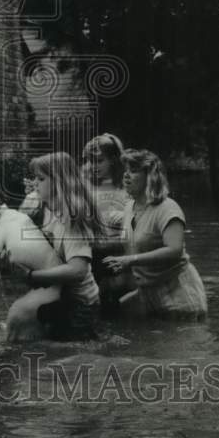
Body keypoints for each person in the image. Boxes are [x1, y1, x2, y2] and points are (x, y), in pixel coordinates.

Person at [103, 149, 207, 318]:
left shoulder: (168, 208)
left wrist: (130, 260)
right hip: (147, 293)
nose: (126, 176)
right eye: (126, 171)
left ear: (150, 177)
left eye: (134, 171)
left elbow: (174, 250)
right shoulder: (130, 207)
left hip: (179, 296)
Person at [23, 151, 103, 339]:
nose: (35, 183)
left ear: (59, 182)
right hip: (59, 298)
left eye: (41, 179)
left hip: (79, 306)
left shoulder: (72, 219)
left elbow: (78, 270)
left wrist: (32, 276)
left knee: (71, 358)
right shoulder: (49, 211)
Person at [80, 132, 130, 309]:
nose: (93, 166)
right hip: (93, 249)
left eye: (99, 161)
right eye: (90, 161)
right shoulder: (84, 185)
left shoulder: (126, 186)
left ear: (114, 160)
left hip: (119, 249)